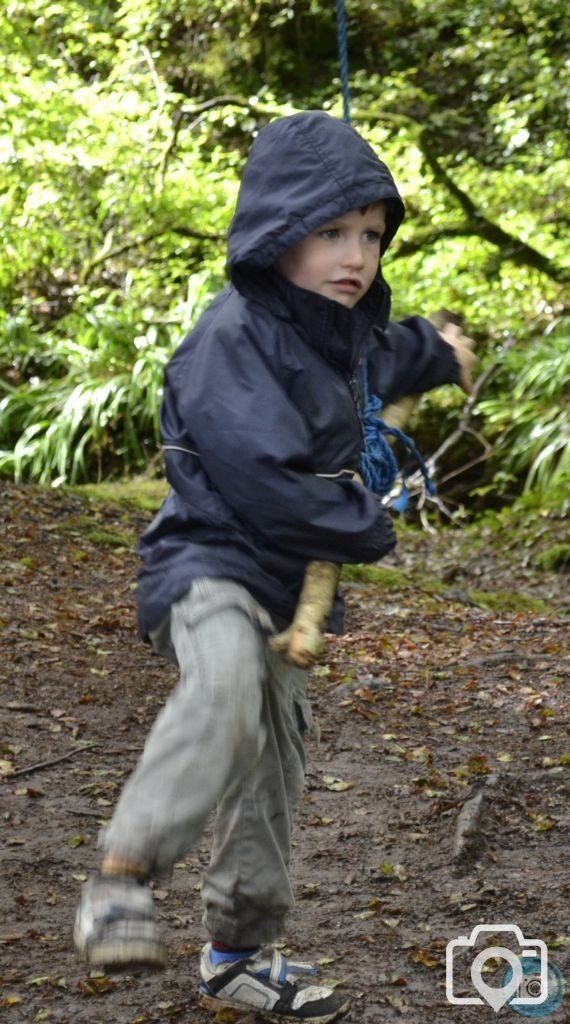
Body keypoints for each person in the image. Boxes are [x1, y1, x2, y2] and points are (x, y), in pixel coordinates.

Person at [73, 111, 475, 1023]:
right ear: (277, 231)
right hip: (211, 564)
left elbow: (382, 357)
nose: (356, 254)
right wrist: (360, 525)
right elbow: (262, 474)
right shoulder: (233, 337)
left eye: (370, 234)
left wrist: (438, 352)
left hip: (291, 595)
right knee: (220, 694)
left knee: (272, 772)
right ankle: (122, 880)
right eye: (332, 231)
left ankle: (238, 953)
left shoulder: (343, 331)